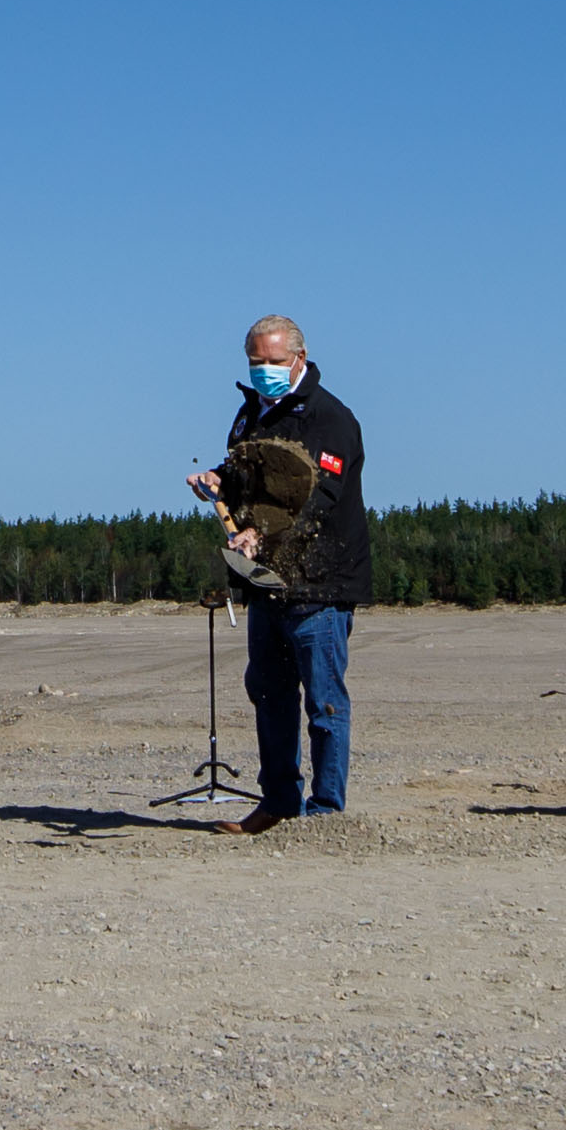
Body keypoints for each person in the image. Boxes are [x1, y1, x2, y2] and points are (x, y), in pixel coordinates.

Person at [191, 316, 369, 827]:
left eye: (273, 361)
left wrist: (263, 535)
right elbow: (242, 471)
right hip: (265, 584)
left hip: (322, 582)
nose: (264, 370)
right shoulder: (251, 415)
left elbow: (323, 499)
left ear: (299, 358)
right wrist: (216, 479)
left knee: (324, 701)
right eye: (255, 362)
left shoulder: (330, 418)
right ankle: (278, 802)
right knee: (268, 692)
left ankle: (327, 811)